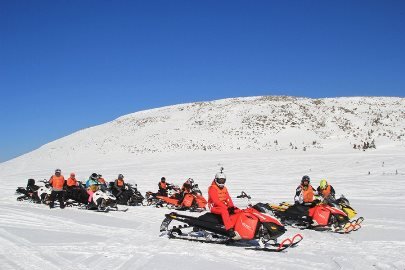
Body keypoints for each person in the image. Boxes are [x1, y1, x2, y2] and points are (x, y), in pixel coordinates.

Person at [208, 169, 240, 239]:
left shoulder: (224, 188)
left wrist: (232, 206)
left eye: (223, 180)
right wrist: (226, 207)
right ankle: (229, 229)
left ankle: (238, 227)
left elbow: (228, 198)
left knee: (237, 210)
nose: (221, 182)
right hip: (213, 207)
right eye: (220, 180)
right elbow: (215, 201)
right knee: (224, 211)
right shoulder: (212, 188)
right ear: (216, 180)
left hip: (222, 205)